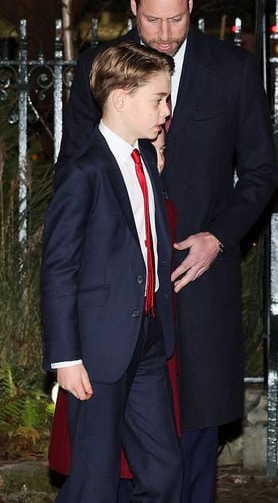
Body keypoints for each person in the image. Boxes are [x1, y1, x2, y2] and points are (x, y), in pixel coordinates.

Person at [58, 0, 277, 502]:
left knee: (192, 439)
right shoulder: (98, 67)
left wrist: (218, 237)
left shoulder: (231, 69)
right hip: (118, 289)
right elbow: (72, 172)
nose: (163, 34)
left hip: (196, 282)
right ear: (133, 7)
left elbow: (261, 173)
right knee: (117, 449)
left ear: (191, 7)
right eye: (152, 21)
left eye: (175, 20)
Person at [42, 41, 182, 502]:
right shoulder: (83, 170)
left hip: (146, 339)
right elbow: (59, 267)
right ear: (121, 99)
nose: (167, 109)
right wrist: (66, 358)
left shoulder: (146, 161)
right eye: (158, 99)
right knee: (93, 483)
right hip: (97, 348)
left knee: (163, 473)